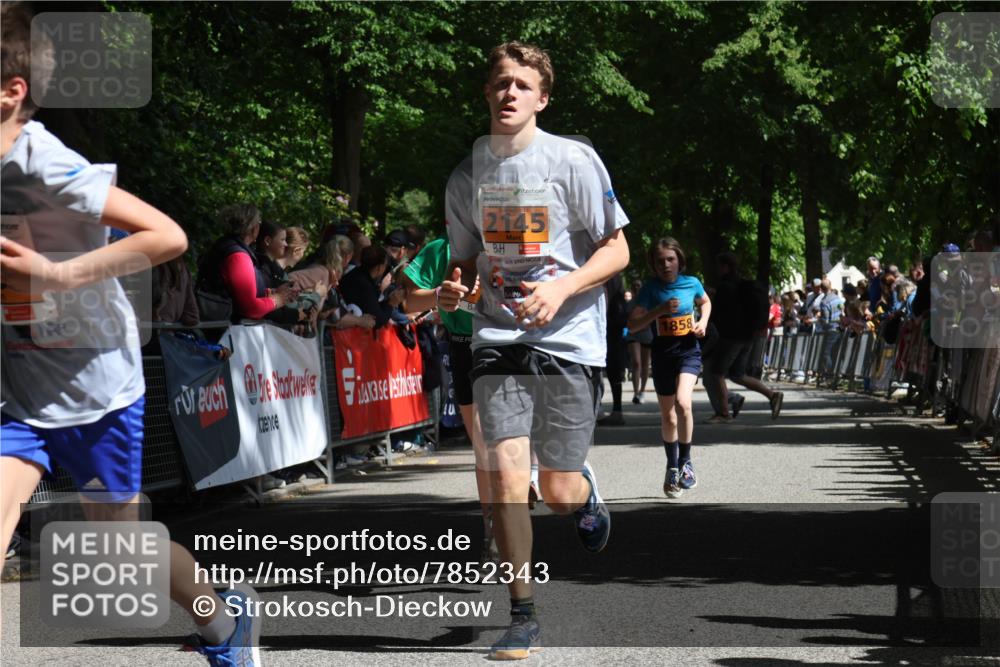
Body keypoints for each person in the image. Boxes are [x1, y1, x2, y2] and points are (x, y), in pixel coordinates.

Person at [0, 6, 260, 663]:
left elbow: (167, 236)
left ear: (11, 91)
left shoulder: (46, 165)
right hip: (19, 395)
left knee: (123, 549)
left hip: (97, 389)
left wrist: (55, 275)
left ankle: (224, 620)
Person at [437, 41, 627, 660]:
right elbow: (464, 260)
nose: (510, 92)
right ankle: (522, 615)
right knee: (507, 475)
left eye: (522, 84)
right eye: (500, 83)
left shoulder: (573, 161)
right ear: (487, 94)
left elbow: (617, 250)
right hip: (497, 336)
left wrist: (563, 287)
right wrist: (455, 286)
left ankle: (583, 492)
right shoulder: (466, 177)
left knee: (558, 489)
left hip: (569, 335)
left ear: (542, 98)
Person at [399, 236, 501, 562]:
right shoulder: (441, 248)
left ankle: (533, 476)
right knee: (484, 449)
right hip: (462, 345)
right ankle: (493, 531)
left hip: (505, 345)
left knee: (507, 443)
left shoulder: (512, 239)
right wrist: (439, 297)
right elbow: (409, 301)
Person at [627, 238, 710, 498]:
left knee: (683, 403)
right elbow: (634, 324)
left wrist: (703, 322)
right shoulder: (650, 289)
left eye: (670, 259)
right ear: (653, 264)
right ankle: (671, 465)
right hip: (663, 354)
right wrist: (659, 310)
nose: (666, 265)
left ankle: (686, 462)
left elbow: (705, 302)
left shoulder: (692, 283)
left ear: (679, 261)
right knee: (668, 417)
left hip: (688, 351)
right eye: (660, 260)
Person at [702, 252, 783, 424]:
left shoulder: (726, 286)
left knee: (717, 373)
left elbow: (720, 314)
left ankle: (723, 413)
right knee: (737, 374)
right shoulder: (742, 285)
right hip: (747, 335)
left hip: (731, 337)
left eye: (719, 266)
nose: (717, 269)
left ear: (725, 267)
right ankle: (773, 395)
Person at [197, 204, 296, 322]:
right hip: (222, 330)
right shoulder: (238, 256)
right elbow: (250, 308)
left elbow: (237, 292)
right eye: (258, 222)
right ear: (254, 228)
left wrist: (273, 293)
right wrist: (278, 299)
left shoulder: (227, 246)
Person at [338, 244, 405, 328]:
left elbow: (373, 307)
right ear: (379, 267)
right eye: (385, 266)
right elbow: (377, 321)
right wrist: (391, 303)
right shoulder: (365, 285)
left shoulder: (356, 273)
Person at [597, 274, 628, 426]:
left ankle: (615, 411)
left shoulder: (612, 278)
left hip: (610, 328)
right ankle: (603, 409)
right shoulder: (614, 279)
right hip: (607, 327)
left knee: (611, 371)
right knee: (603, 371)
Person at [624, 279, 653, 402]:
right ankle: (635, 393)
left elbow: (652, 317)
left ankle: (642, 391)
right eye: (634, 285)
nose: (637, 287)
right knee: (636, 363)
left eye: (639, 285)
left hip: (646, 334)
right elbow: (626, 319)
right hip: (633, 334)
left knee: (645, 365)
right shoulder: (629, 303)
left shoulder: (648, 302)